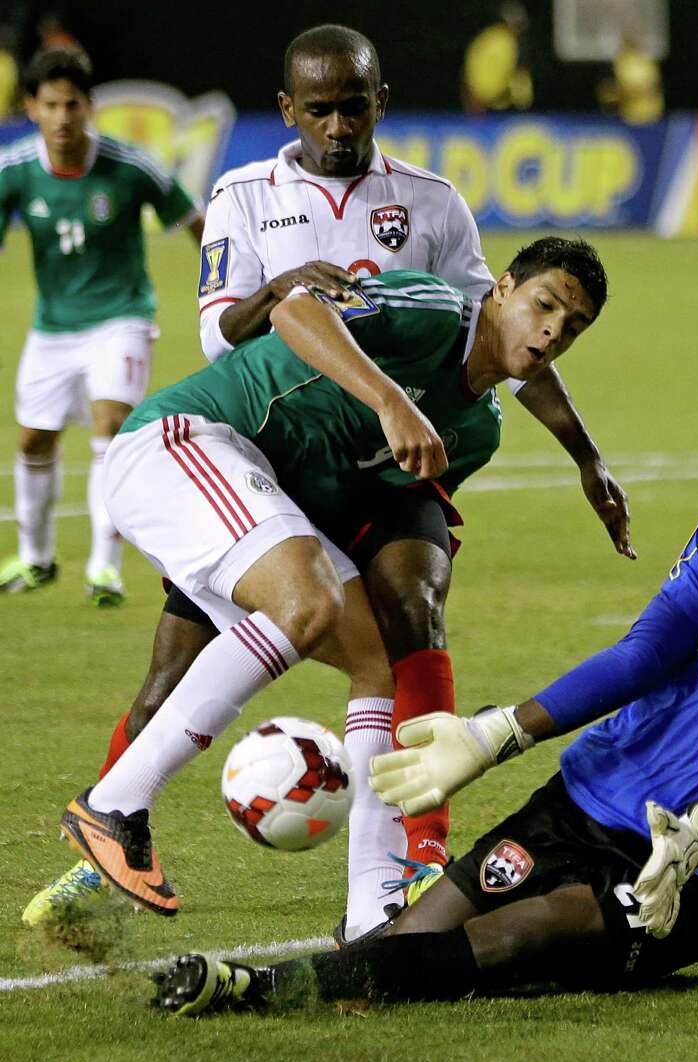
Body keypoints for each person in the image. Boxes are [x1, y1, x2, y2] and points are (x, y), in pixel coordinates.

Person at [23, 26, 632, 938]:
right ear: (290, 111)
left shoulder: (433, 215)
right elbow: (238, 327)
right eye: (321, 108)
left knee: (396, 625)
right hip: (234, 442)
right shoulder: (247, 195)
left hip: (342, 470)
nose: (341, 124)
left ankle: (386, 889)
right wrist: (368, 380)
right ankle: (101, 835)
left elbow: (501, 338)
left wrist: (585, 456)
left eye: (356, 104)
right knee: (173, 668)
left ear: (380, 103)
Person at [147, 387, 698, 1014]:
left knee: (523, 933)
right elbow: (644, 653)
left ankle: (256, 988)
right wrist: (498, 733)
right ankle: (323, 980)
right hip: (592, 792)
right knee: (417, 933)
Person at [55, 237, 608, 926]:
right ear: (501, 290)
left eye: (572, 324)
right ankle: (114, 805)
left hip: (260, 502)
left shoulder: (475, 429)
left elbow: (367, 508)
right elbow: (295, 310)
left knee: (377, 659)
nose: (553, 329)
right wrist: (391, 401)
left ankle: (372, 907)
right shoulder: (433, 308)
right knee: (301, 604)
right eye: (544, 304)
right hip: (187, 441)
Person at [0, 46, 203, 604]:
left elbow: (196, 222)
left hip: (122, 318)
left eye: (72, 104)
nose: (63, 117)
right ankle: (37, 558)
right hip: (53, 327)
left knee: (108, 428)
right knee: (34, 439)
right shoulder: (14, 171)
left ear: (90, 107)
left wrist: (227, 288)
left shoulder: (132, 166)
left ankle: (103, 568)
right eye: (51, 105)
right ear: (31, 108)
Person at [462, 2, 533, 114]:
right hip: (490, 104)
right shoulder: (496, 40)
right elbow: (476, 69)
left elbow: (520, 78)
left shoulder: (515, 43)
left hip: (507, 107)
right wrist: (481, 95)